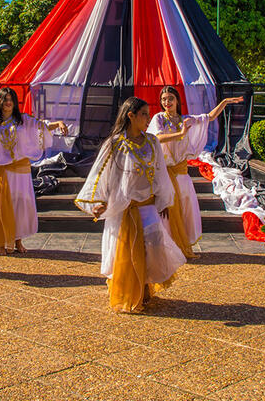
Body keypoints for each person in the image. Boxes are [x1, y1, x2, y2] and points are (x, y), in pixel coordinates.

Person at [76, 96, 186, 313]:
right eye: (144, 114)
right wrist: (97, 202)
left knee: (153, 246)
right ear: (131, 116)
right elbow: (100, 174)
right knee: (125, 250)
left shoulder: (152, 142)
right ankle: (128, 290)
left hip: (148, 205)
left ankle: (145, 286)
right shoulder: (115, 144)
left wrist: (164, 199)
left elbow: (160, 173)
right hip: (124, 209)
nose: (148, 119)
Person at [0, 87, 67, 255]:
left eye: (11, 99)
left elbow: (41, 126)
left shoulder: (23, 120)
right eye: (5, 99)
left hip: (20, 171)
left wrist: (59, 124)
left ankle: (18, 240)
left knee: (20, 206)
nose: (8, 102)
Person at [146, 86, 243, 257]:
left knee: (185, 209)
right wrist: (181, 134)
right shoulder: (159, 119)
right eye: (163, 99)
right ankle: (166, 248)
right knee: (166, 210)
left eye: (170, 98)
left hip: (182, 173)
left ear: (177, 101)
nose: (166, 102)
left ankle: (182, 246)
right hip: (165, 173)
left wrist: (225, 102)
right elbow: (157, 138)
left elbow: (210, 117)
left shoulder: (186, 120)